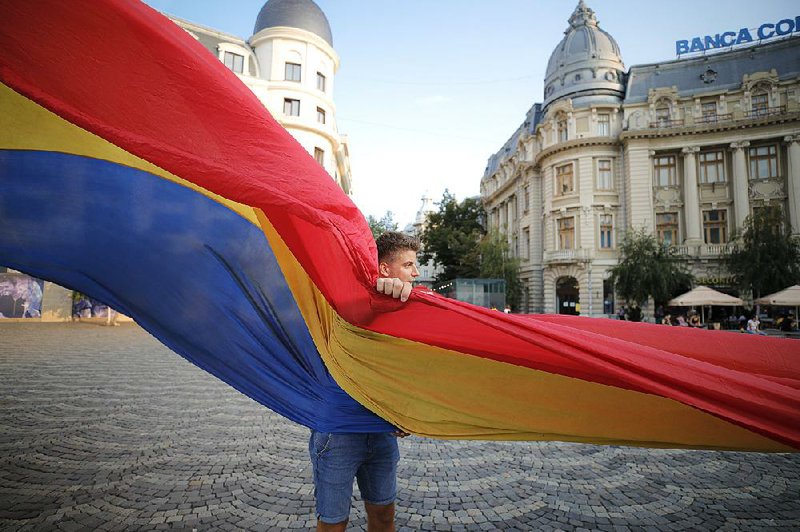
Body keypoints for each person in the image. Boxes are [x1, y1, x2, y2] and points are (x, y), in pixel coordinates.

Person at [309, 231, 419, 531]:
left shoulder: (407, 306)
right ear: (385, 269)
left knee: (384, 515)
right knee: (333, 523)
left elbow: (404, 366)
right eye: (408, 265)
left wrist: (403, 411)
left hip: (381, 431)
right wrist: (376, 292)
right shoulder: (347, 297)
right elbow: (347, 309)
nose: (416, 272)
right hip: (339, 432)